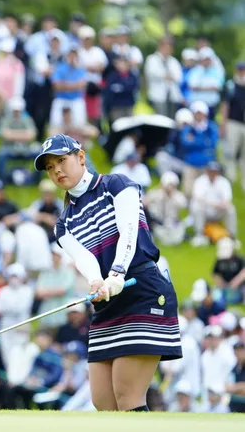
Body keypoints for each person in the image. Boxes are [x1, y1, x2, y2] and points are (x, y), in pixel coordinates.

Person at [33, 133, 182, 412]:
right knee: (103, 402)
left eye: (61, 161)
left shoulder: (117, 184)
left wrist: (116, 273)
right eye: (50, 167)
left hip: (143, 291)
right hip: (108, 301)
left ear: (81, 157)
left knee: (128, 397)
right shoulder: (63, 224)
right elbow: (85, 258)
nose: (57, 171)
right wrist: (96, 281)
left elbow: (129, 231)